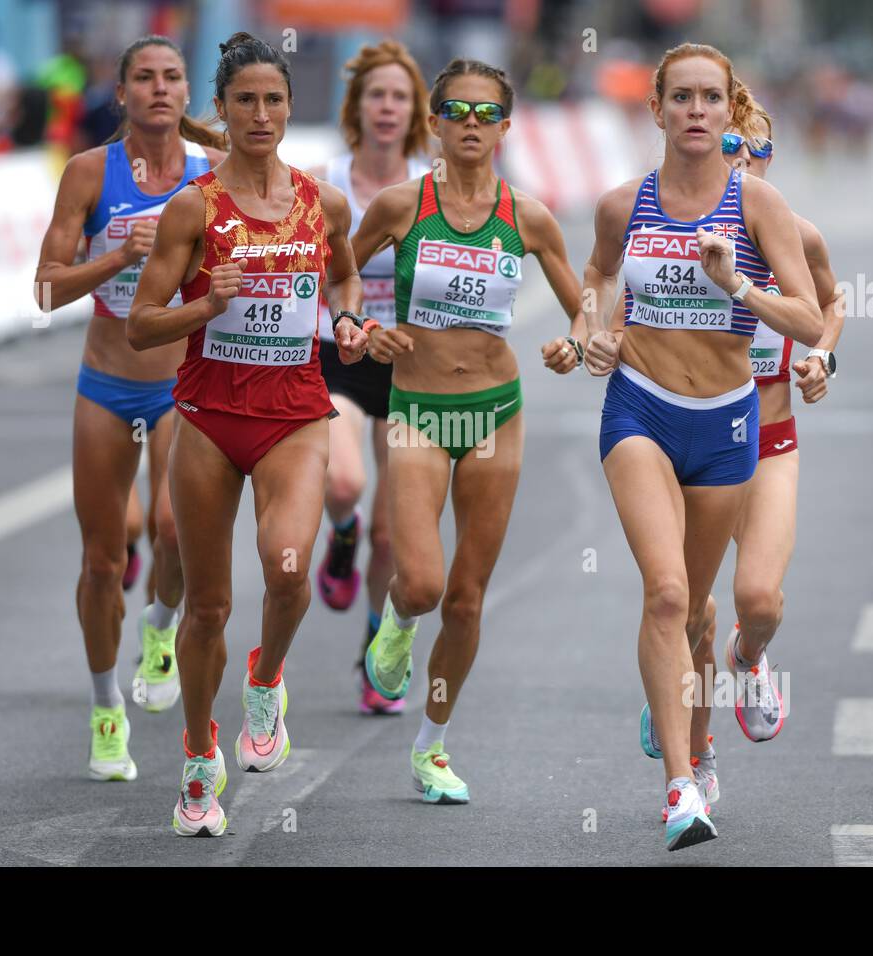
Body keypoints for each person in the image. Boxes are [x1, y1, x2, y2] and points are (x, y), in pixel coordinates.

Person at [579, 42, 823, 850]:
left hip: (727, 423)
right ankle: (681, 787)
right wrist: (592, 333)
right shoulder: (623, 204)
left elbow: (809, 319)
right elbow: (596, 280)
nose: (694, 111)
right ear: (655, 110)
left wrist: (738, 286)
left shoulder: (759, 206)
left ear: (728, 111)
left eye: (708, 98)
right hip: (640, 411)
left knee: (705, 608)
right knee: (667, 594)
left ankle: (701, 730)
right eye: (678, 97)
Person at [127, 32, 369, 837]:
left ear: (289, 108)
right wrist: (205, 304)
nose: (260, 114)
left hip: (295, 414)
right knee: (207, 608)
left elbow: (342, 272)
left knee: (288, 570)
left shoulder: (321, 202)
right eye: (244, 101)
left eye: (273, 100)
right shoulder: (192, 209)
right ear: (222, 112)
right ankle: (199, 759)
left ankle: (267, 677)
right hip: (206, 418)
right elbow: (139, 324)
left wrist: (345, 317)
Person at [352, 59, 584, 804]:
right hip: (416, 410)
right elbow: (336, 274)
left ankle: (432, 746)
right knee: (421, 583)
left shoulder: (529, 216)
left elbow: (584, 307)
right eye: (459, 111)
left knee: (467, 599)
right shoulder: (398, 206)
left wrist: (574, 344)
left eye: (488, 115)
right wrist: (360, 326)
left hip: (495, 413)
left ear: (508, 129)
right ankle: (393, 617)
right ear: (436, 124)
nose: (473, 125)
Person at [634, 99, 846, 811]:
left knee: (757, 599)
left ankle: (748, 659)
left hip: (770, 439)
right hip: (696, 433)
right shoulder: (674, 233)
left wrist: (821, 360)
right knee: (687, 608)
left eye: (759, 149)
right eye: (731, 144)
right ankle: (693, 750)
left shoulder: (795, 233)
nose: (744, 159)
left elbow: (831, 303)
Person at [33, 35, 225, 782]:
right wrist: (119, 256)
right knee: (102, 558)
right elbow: (45, 290)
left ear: (187, 94)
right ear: (121, 94)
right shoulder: (90, 173)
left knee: (176, 529)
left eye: (171, 77)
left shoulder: (216, 178)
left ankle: (160, 626)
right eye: (143, 77)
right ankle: (105, 704)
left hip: (184, 384)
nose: (157, 88)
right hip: (107, 385)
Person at [306, 40, 434, 716]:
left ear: (414, 111)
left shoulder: (431, 183)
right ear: (356, 106)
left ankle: (372, 650)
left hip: (410, 367)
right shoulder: (322, 180)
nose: (388, 107)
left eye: (400, 96)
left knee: (394, 534)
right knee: (344, 481)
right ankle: (340, 535)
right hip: (339, 356)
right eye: (376, 95)